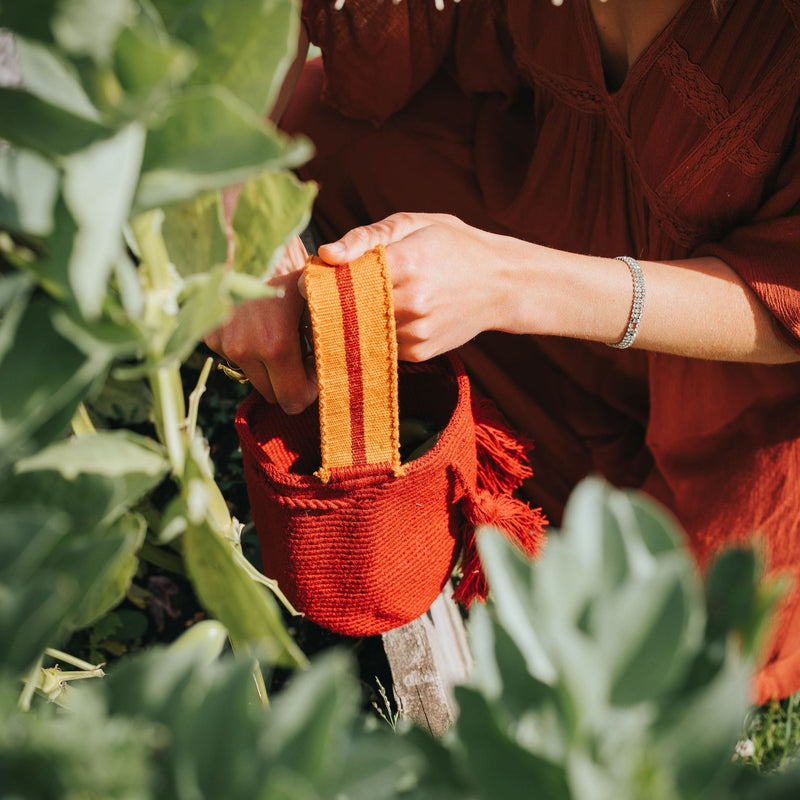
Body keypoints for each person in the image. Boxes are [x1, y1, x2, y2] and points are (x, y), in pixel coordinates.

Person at [206, 0, 800, 704]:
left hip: (733, 381)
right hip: (533, 180)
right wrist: (227, 207)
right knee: (312, 144)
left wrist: (506, 284)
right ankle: (465, 436)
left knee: (664, 636)